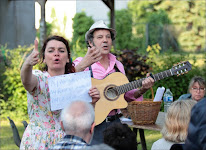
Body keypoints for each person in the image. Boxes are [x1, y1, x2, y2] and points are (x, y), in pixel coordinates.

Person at [73, 20, 154, 145]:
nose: (105, 40)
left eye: (108, 37)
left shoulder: (118, 65)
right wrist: (83, 65)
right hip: (92, 125)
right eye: (100, 37)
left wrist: (143, 89)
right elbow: (67, 86)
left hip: (115, 123)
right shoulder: (80, 63)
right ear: (90, 42)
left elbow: (126, 95)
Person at [20, 35, 100, 149]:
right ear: (44, 58)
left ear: (68, 58)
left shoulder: (76, 83)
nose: (56, 54)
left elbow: (82, 118)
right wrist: (27, 65)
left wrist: (93, 103)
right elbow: (26, 81)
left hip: (67, 140)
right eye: (51, 51)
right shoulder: (39, 78)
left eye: (61, 51)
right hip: (38, 141)